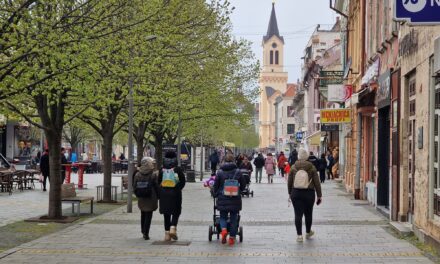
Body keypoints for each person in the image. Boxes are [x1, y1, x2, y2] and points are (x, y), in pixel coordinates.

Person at [288, 148, 322, 243]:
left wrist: (290, 193)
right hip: (309, 193)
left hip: (296, 193)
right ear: (307, 157)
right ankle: (308, 232)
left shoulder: (294, 167)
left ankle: (299, 236)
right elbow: (317, 182)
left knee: (297, 214)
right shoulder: (311, 167)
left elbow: (289, 181)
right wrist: (319, 195)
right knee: (308, 213)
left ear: (298, 157)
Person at [213, 153, 246, 246]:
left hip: (222, 197)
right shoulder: (238, 172)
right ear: (233, 161)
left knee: (223, 216)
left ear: (224, 161)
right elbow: (243, 185)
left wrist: (215, 193)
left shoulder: (220, 172)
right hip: (235, 198)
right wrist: (240, 190)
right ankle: (231, 238)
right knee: (233, 218)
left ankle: (223, 231)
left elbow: (216, 185)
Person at [158, 151, 186, 241]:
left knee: (166, 214)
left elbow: (158, 181)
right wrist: (178, 188)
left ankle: (167, 235)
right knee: (176, 211)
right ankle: (173, 228)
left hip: (164, 194)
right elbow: (183, 181)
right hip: (175, 193)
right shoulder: (177, 169)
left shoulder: (161, 169)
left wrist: (162, 190)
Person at [133, 157, 159, 240]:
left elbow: (134, 186)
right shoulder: (153, 174)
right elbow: (156, 186)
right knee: (149, 214)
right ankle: (146, 232)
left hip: (141, 196)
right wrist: (158, 196)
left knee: (143, 213)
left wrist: (137, 194)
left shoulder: (137, 174)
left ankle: (143, 230)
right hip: (151, 196)